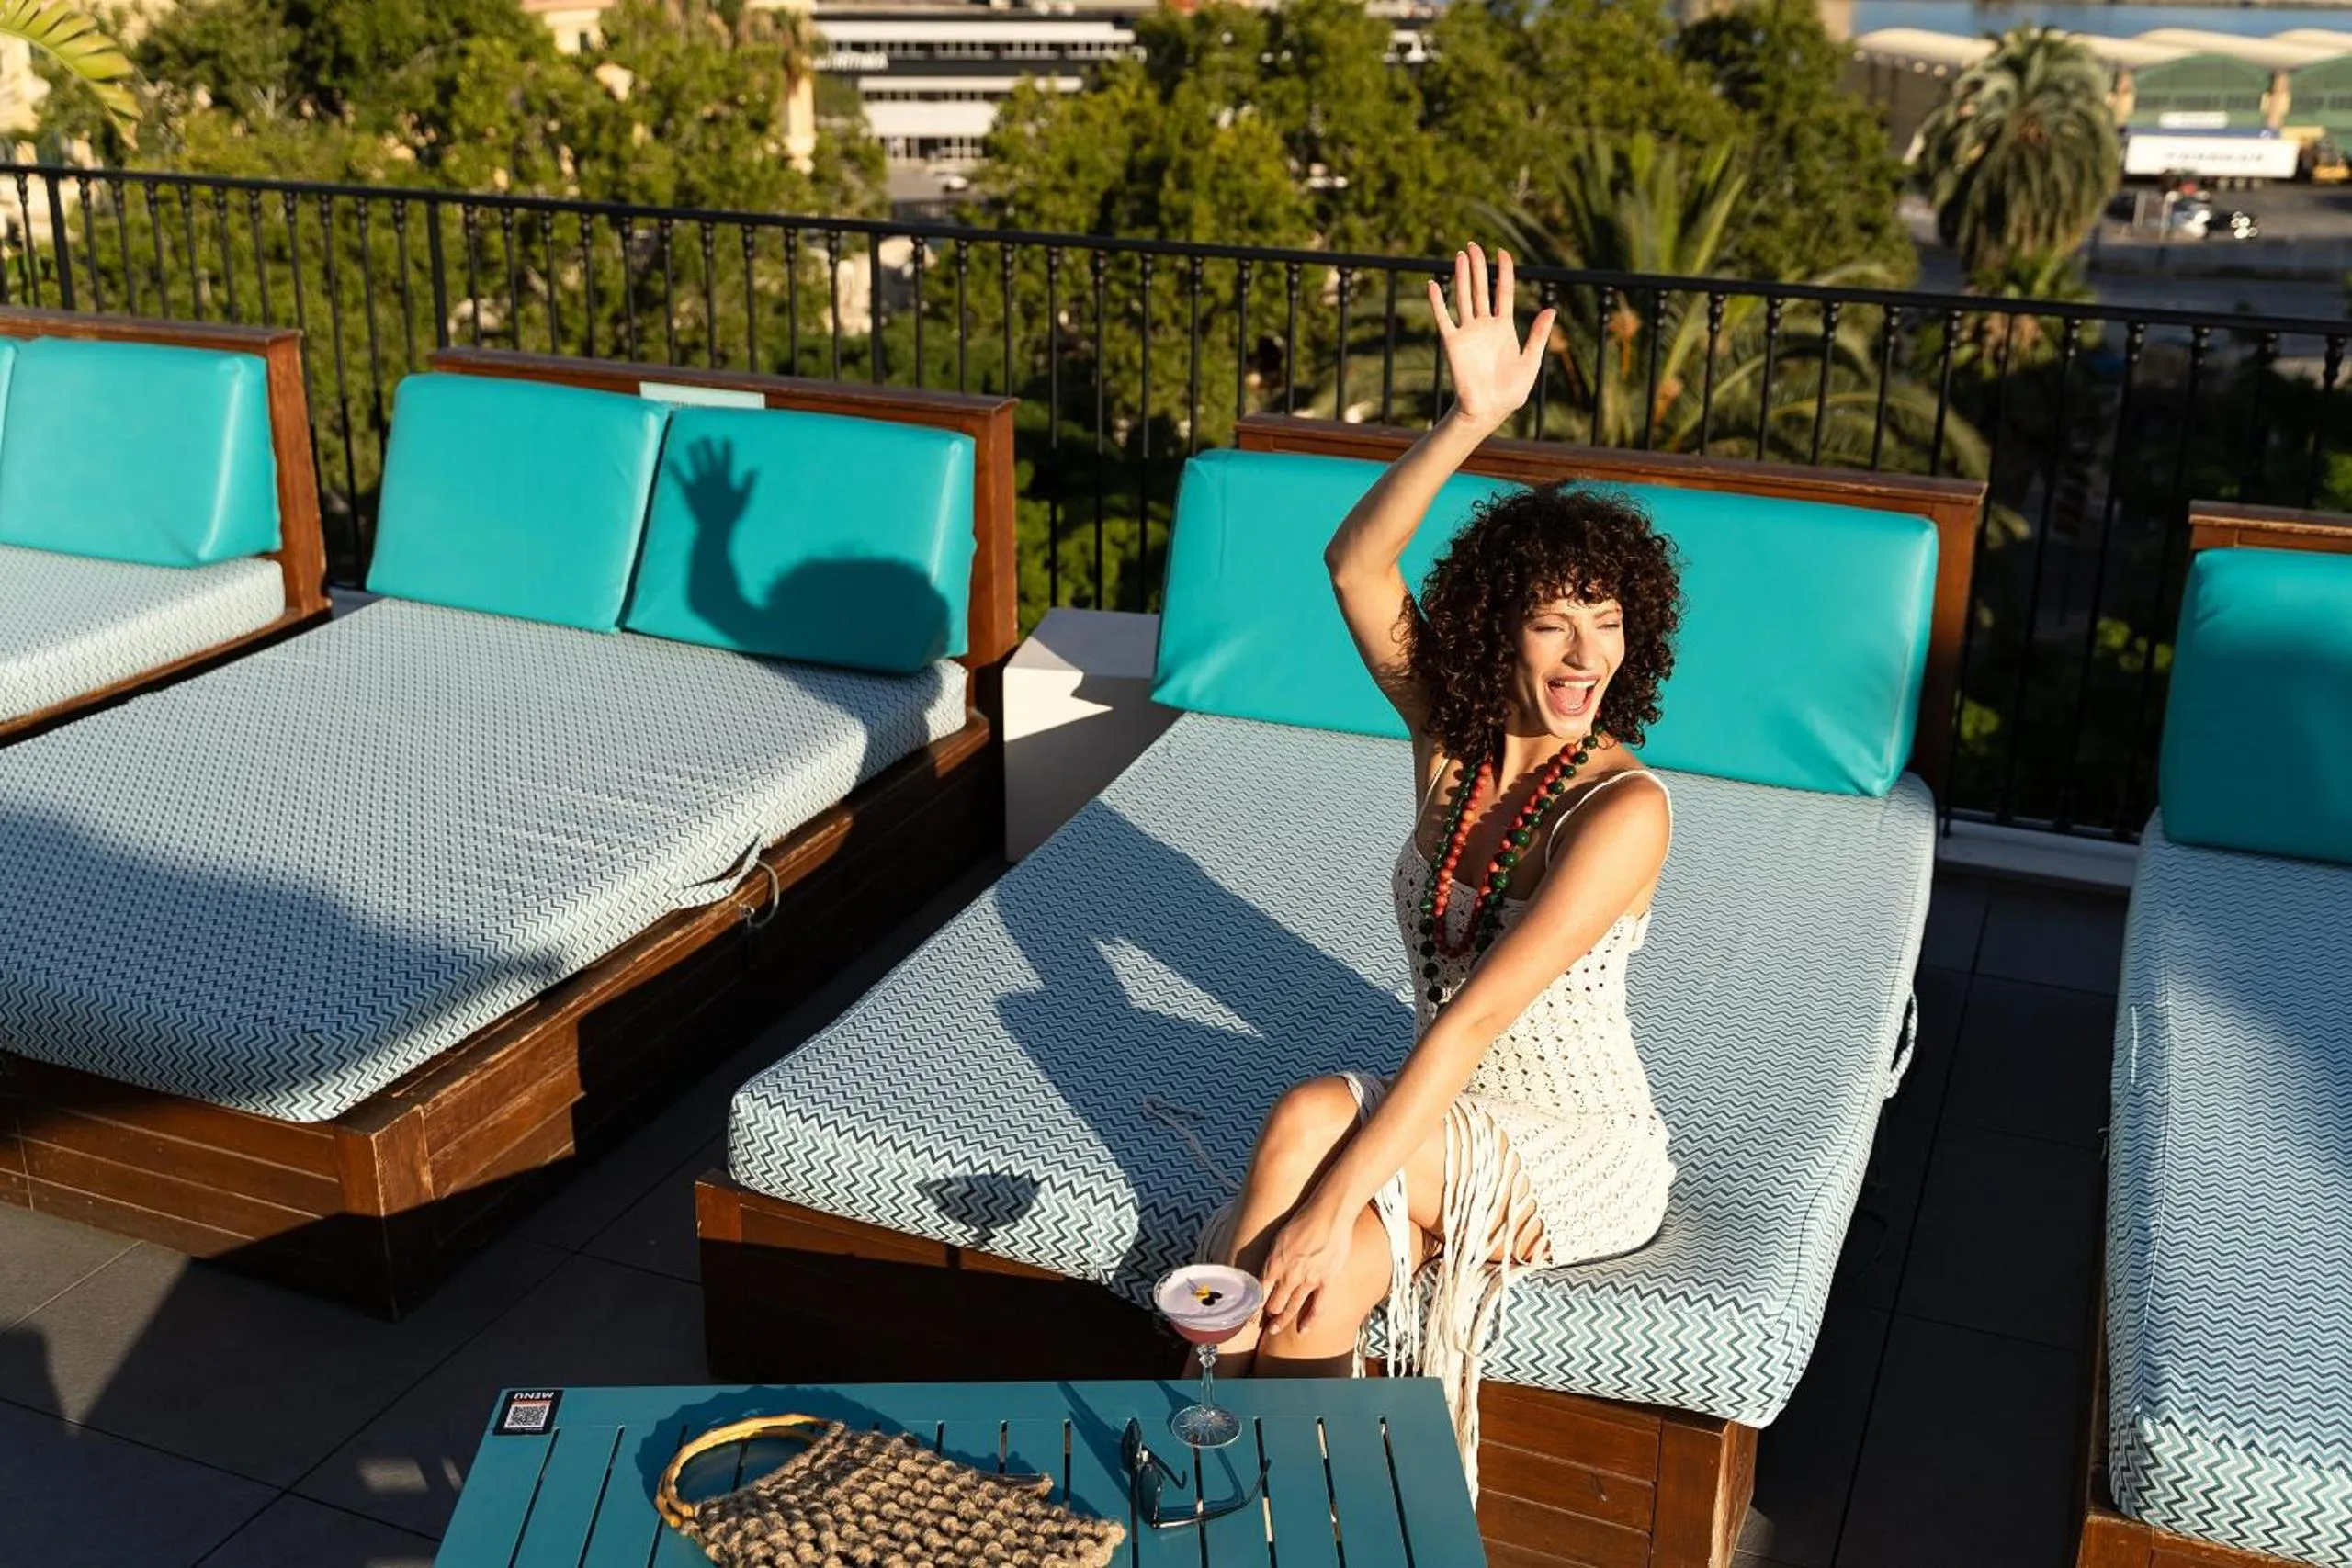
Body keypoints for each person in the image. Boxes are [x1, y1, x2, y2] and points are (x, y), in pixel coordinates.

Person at [1201, 243, 1685, 1481]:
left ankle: (1200, 1394)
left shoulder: (1625, 810)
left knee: (1295, 1210)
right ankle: (1257, 1478)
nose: (1587, 658)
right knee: (1304, 1263)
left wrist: (1320, 1208)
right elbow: (1356, 566)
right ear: (1495, 631)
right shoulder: (1452, 737)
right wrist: (1469, 419)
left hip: (1572, 1148)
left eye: (1609, 624)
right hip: (1452, 1116)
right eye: (1552, 624)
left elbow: (1468, 1023)